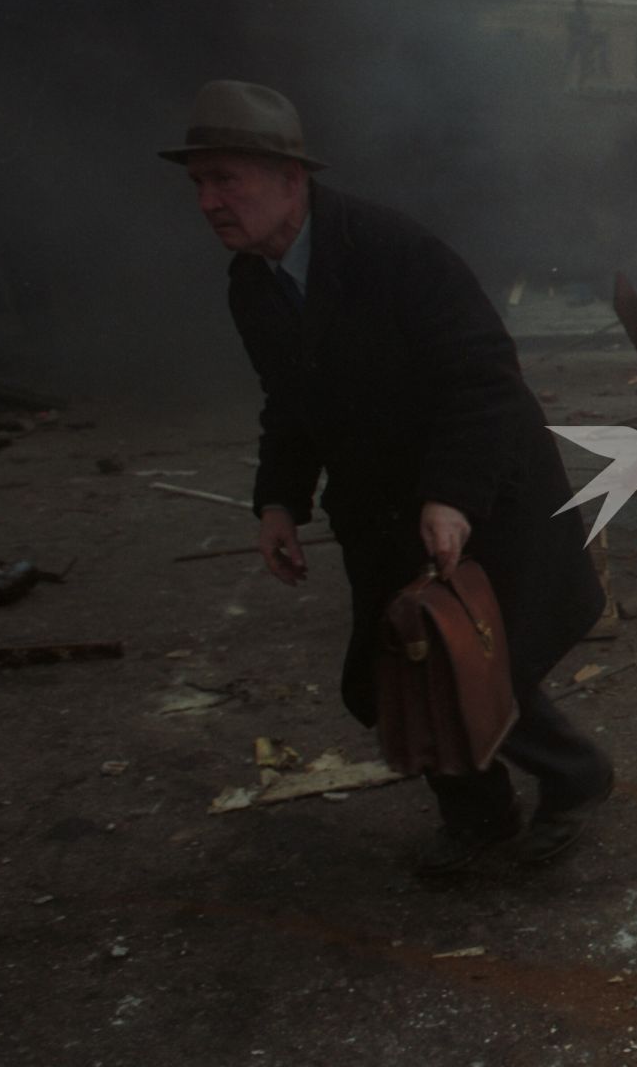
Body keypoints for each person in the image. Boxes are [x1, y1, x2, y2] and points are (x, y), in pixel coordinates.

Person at [162, 80, 613, 875]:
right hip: (377, 509)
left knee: (477, 662)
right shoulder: (253, 284)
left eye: (226, 179)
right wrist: (276, 501)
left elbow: (482, 376)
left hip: (484, 491)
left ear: (290, 177)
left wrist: (453, 496)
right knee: (392, 675)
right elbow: (290, 403)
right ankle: (480, 818)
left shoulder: (389, 251)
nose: (207, 202)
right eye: (199, 183)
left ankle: (574, 782)